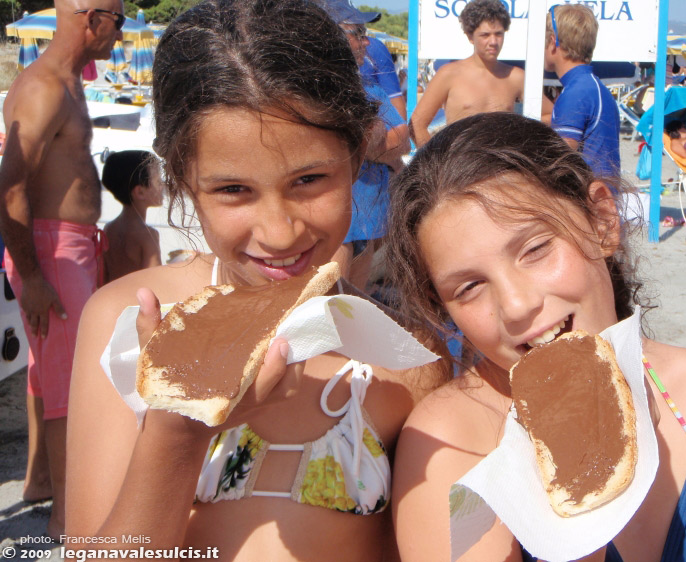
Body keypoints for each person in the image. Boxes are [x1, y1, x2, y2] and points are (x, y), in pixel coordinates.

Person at [65, 1, 449, 560]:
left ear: (356, 153)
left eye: (310, 179)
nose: (279, 230)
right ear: (183, 180)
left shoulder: (408, 362)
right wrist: (179, 431)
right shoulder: (124, 323)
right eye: (233, 190)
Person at [385, 112, 686, 560]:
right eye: (469, 287)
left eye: (536, 249)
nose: (517, 305)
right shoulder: (451, 443)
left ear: (601, 220)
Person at [0, 0, 123, 539]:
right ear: (91, 18)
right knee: (72, 385)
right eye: (118, 21)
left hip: (67, 245)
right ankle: (70, 522)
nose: (120, 34)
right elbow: (10, 186)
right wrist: (32, 276)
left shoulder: (69, 81)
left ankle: (41, 483)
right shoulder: (44, 86)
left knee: (47, 375)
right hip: (51, 248)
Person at [315, 0, 410, 291]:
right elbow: (360, 143)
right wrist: (380, 146)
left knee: (353, 307)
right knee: (330, 309)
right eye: (356, 31)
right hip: (334, 230)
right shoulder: (312, 93)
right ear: (327, 36)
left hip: (365, 226)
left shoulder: (370, 90)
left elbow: (403, 139)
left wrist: (368, 142)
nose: (366, 40)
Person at [409, 0, 552, 148]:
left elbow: (550, 115)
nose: (493, 41)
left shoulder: (515, 77)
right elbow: (416, 124)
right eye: (485, 35)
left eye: (498, 34)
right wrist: (436, 161)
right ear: (470, 36)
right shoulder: (449, 74)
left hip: (502, 163)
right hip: (461, 163)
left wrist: (524, 139)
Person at [544, 4, 621, 180]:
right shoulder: (591, 86)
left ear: (553, 41)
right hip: (603, 195)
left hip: (589, 199)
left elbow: (561, 157)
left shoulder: (576, 93)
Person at [101, 150, 164, 283]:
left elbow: (103, 277)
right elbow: (156, 281)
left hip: (112, 298)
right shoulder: (148, 235)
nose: (163, 186)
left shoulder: (109, 229)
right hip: (135, 302)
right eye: (158, 181)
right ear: (140, 192)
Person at [361, 36, 407, 120]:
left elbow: (399, 125)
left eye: (361, 31)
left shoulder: (375, 48)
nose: (366, 42)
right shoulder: (375, 48)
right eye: (355, 33)